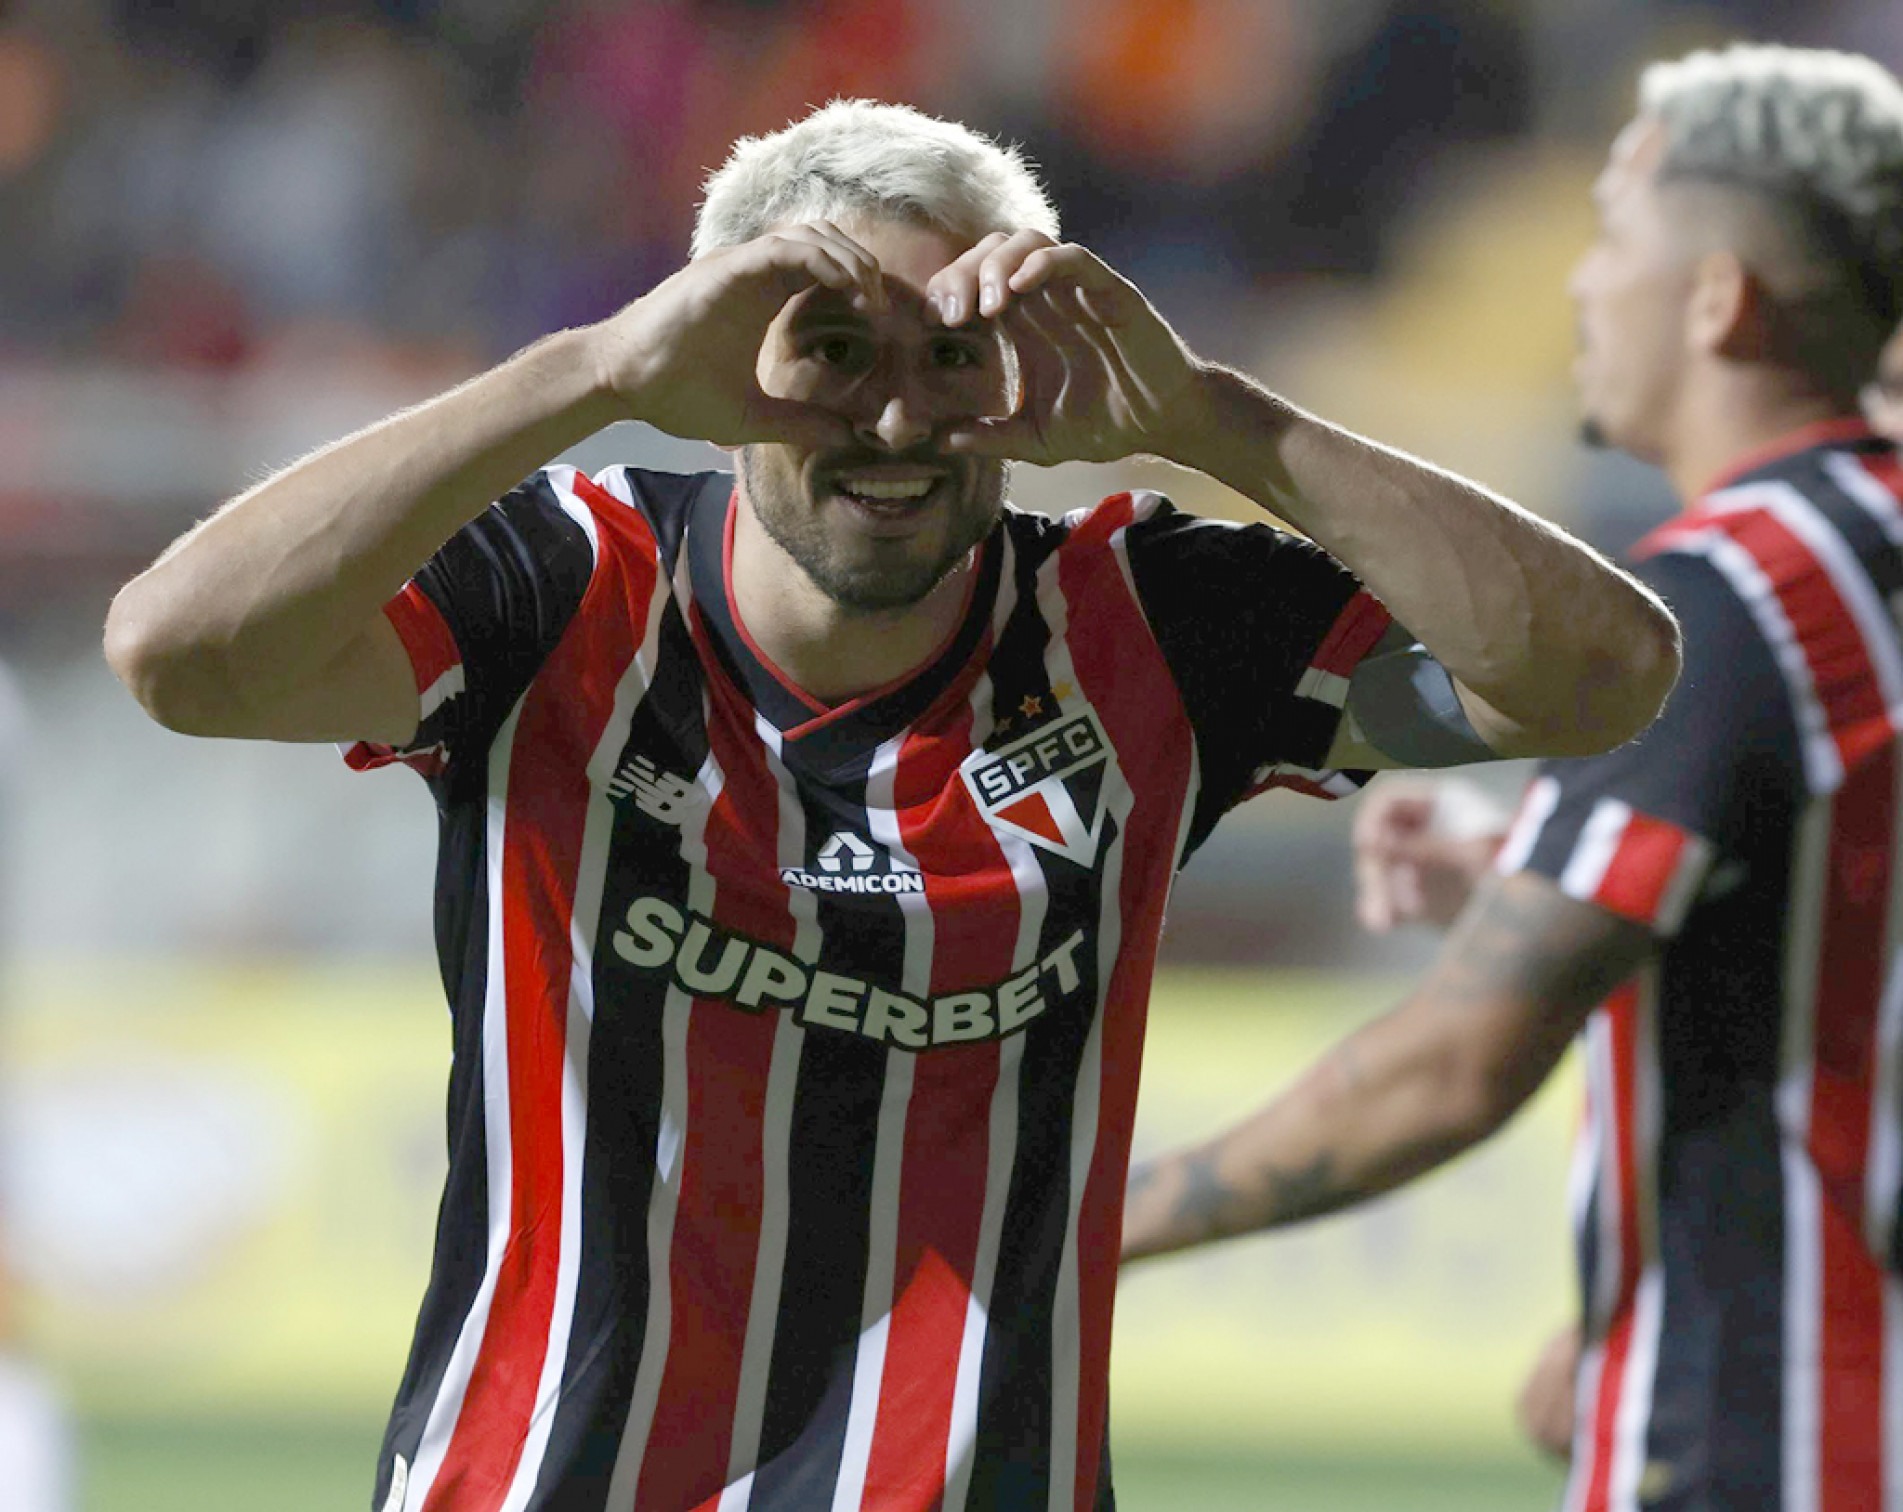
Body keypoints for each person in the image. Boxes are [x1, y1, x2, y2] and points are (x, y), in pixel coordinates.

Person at [103, 99, 1676, 1511]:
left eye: (952, 357)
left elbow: (1600, 679)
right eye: (832, 353)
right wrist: (594, 372)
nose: (900, 422)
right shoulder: (569, 587)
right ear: (720, 369)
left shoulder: (1150, 627)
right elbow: (180, 659)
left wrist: (1205, 417)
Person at [1120, 43, 1903, 1512]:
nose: (1581, 285)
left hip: (1777, 1442)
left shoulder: (1729, 597)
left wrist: (1082, 1235)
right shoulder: (1874, 557)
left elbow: (1445, 1070)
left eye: (1615, 237)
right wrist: (1536, 860)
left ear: (1721, 297)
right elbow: (1843, 907)